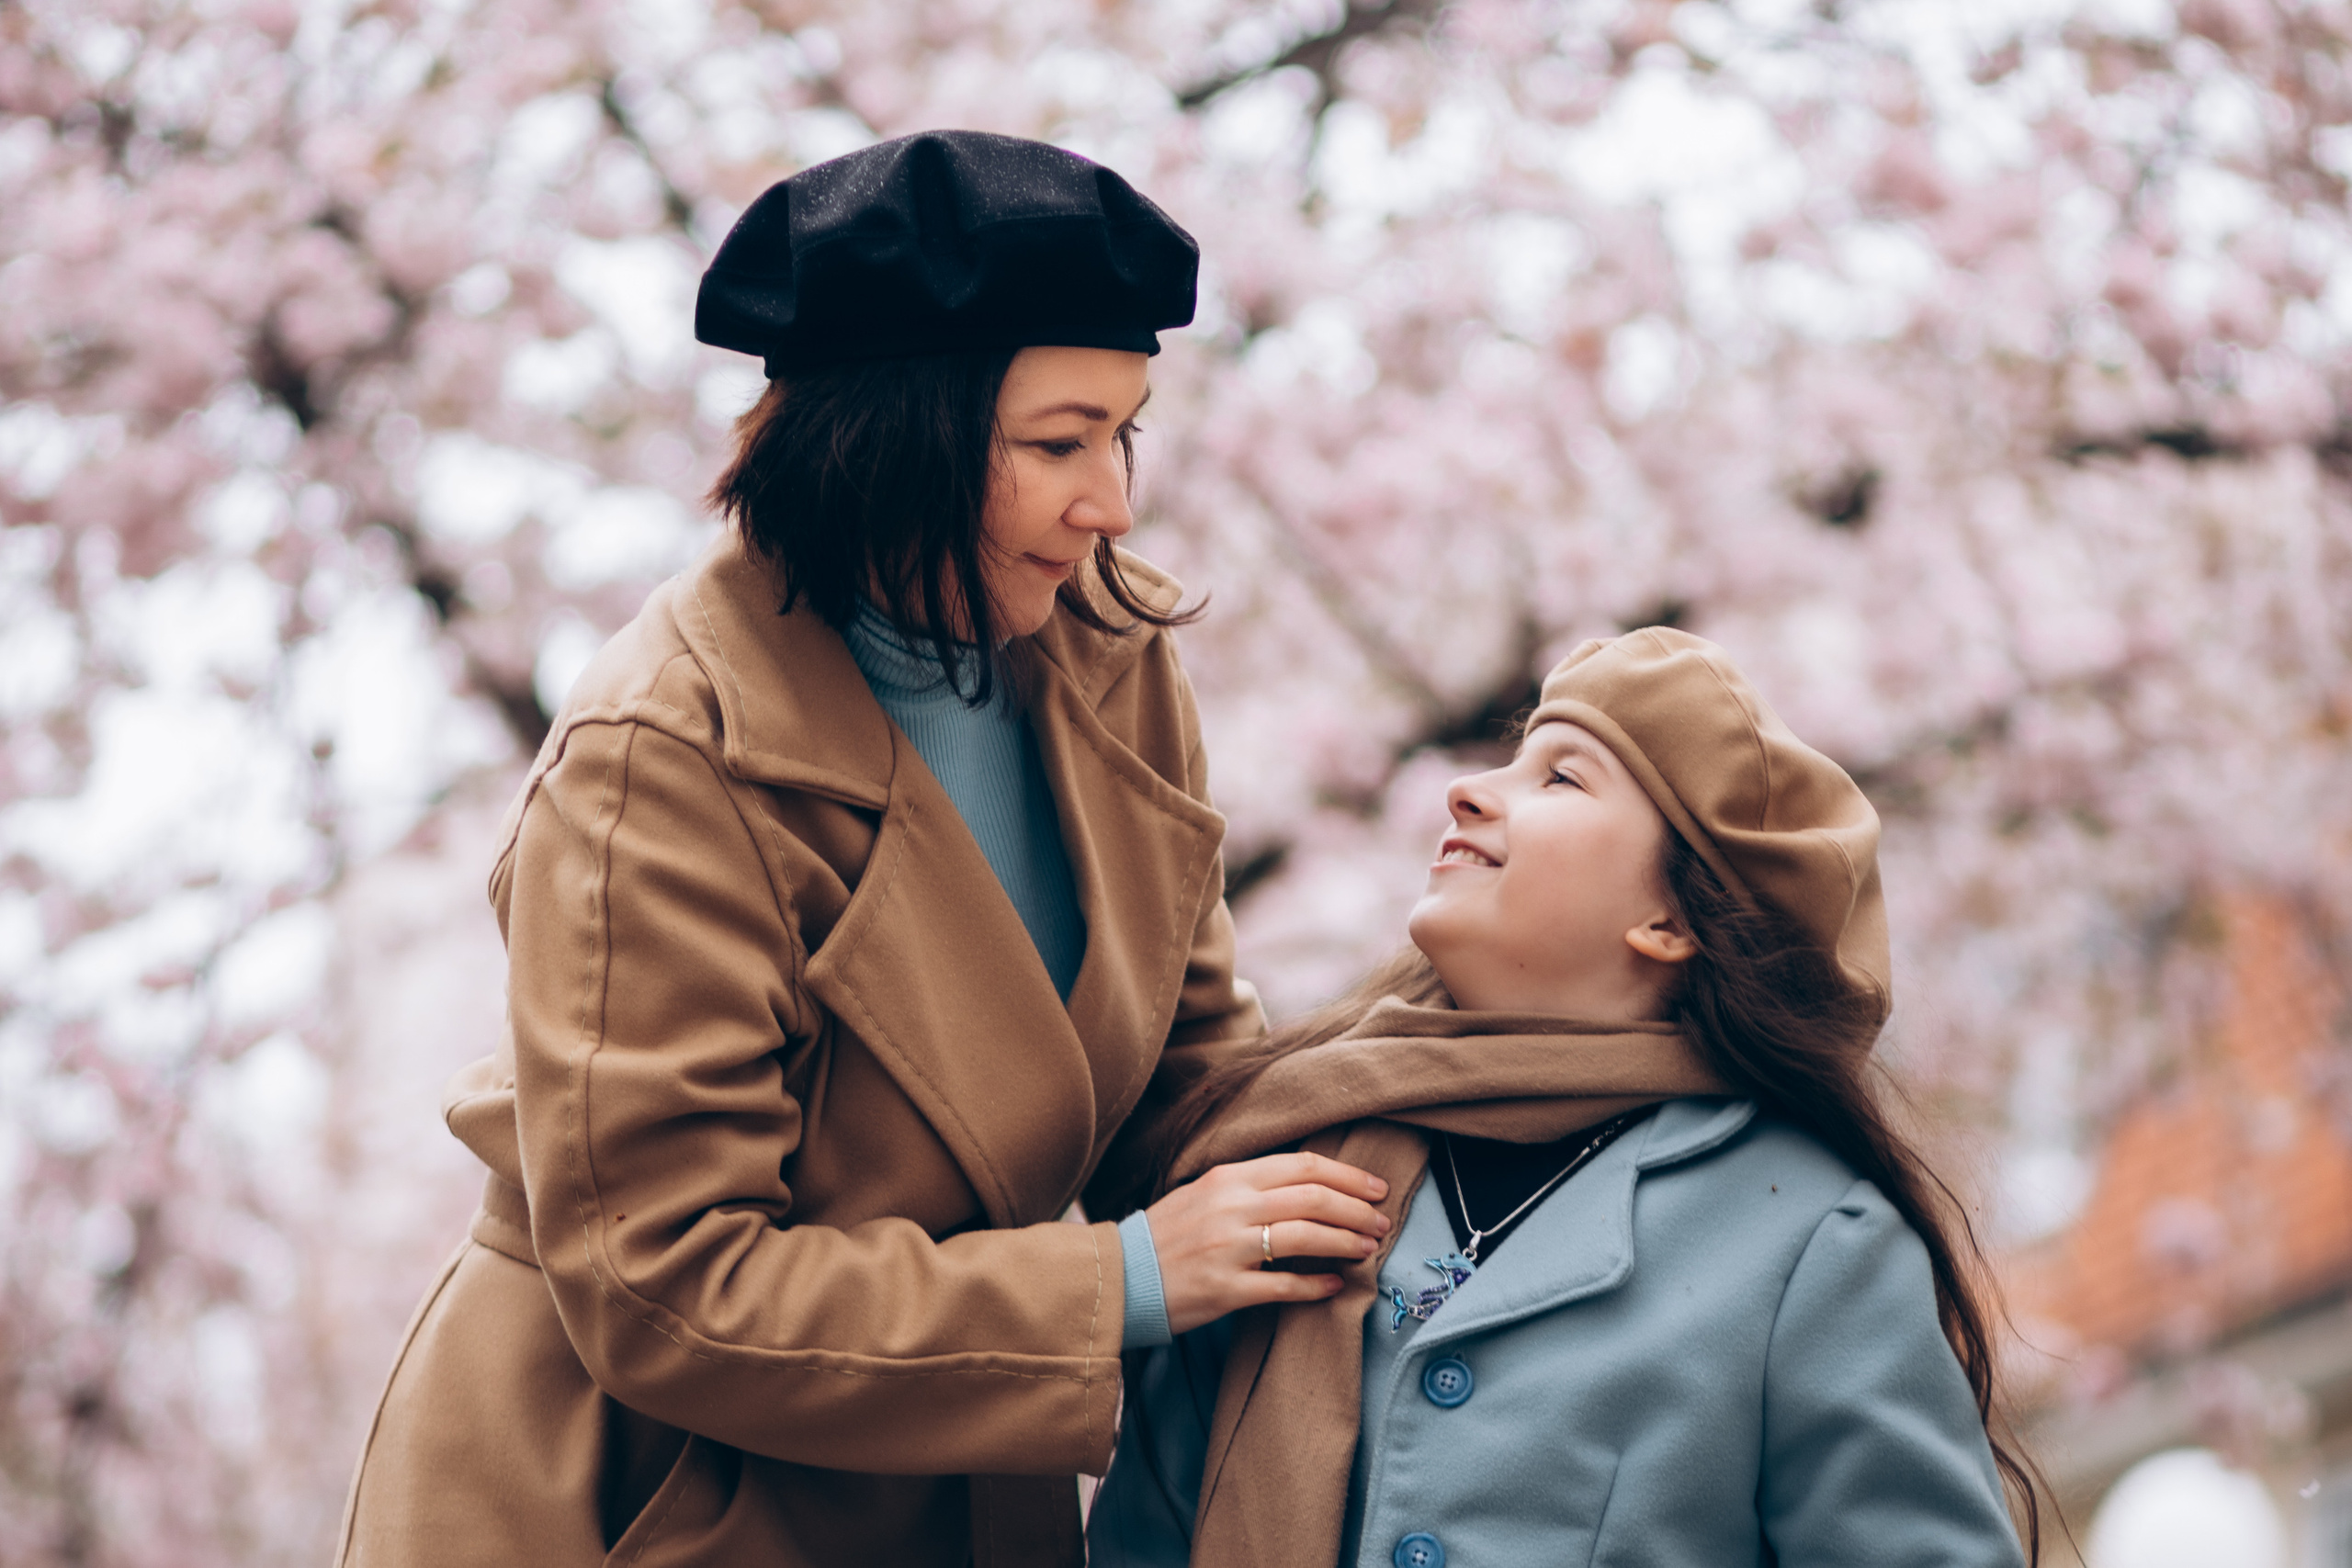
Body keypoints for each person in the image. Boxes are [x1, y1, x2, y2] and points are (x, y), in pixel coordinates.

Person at [335, 130, 1390, 1568]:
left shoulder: (1102, 641)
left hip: (962, 1466)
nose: (1114, 505)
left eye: (1125, 433)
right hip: (638, 1490)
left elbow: (1184, 1068)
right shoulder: (662, 756)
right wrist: (1125, 1279)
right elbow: (669, 1285)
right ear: (903, 435)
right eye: (1059, 442)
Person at [1086, 627, 2043, 1568]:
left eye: (1560, 776)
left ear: (1670, 919)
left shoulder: (1808, 1239)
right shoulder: (1286, 1159)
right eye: (1511, 758)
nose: (1465, 789)